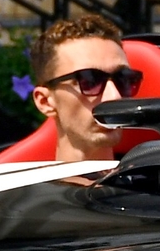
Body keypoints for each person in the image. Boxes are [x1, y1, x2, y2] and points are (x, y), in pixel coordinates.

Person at [27, 14, 141, 165]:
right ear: (45, 101)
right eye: (89, 81)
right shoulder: (9, 187)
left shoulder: (158, 185)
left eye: (123, 79)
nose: (114, 96)